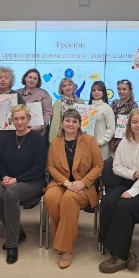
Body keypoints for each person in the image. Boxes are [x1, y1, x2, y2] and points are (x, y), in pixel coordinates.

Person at [98, 108, 139, 273]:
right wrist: (133, 173)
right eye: (134, 122)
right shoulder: (124, 143)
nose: (138, 125)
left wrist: (133, 191)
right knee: (108, 202)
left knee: (124, 207)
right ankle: (123, 250)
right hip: (126, 181)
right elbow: (116, 167)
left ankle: (119, 257)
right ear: (129, 124)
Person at [44, 109, 103, 269]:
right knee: (50, 197)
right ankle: (63, 238)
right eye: (67, 120)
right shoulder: (55, 142)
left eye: (74, 121)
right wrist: (65, 182)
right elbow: (51, 166)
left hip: (84, 185)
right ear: (62, 123)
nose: (70, 124)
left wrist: (83, 183)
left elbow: (98, 166)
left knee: (69, 198)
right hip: (61, 183)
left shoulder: (89, 140)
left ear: (79, 124)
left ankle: (65, 248)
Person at [0, 105, 47, 264]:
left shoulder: (37, 139)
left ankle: (12, 244)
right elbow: (0, 163)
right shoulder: (8, 139)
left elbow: (39, 167)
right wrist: (4, 176)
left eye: (23, 118)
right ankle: (18, 232)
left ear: (28, 119)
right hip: (11, 179)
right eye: (16, 119)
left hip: (33, 181)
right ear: (11, 120)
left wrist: (16, 180)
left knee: (11, 194)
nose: (20, 122)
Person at [0, 66, 25, 182]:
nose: (3, 80)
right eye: (0, 77)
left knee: (13, 168)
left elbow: (24, 113)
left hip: (13, 138)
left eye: (6, 78)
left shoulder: (16, 96)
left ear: (10, 81)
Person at [16, 68, 52, 137]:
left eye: (35, 78)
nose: (32, 80)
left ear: (38, 81)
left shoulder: (43, 94)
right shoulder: (17, 93)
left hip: (37, 133)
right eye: (30, 77)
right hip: (19, 131)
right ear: (25, 78)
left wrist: (39, 127)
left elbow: (47, 113)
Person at [49, 77, 84, 143]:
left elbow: (84, 122)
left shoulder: (80, 102)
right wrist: (53, 141)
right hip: (62, 138)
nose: (67, 87)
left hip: (79, 138)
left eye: (69, 85)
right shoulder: (58, 103)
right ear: (61, 89)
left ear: (73, 86)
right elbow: (54, 124)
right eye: (64, 86)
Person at [109, 79, 138, 154]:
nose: (121, 92)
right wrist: (110, 139)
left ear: (130, 90)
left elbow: (133, 124)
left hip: (126, 140)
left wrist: (120, 140)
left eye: (124, 89)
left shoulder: (133, 105)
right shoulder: (114, 103)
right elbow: (109, 121)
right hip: (111, 139)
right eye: (119, 89)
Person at [88, 80, 115, 160]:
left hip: (102, 146)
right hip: (87, 145)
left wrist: (100, 142)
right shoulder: (87, 108)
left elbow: (111, 129)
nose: (96, 92)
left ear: (104, 92)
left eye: (99, 90)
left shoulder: (107, 108)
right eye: (94, 90)